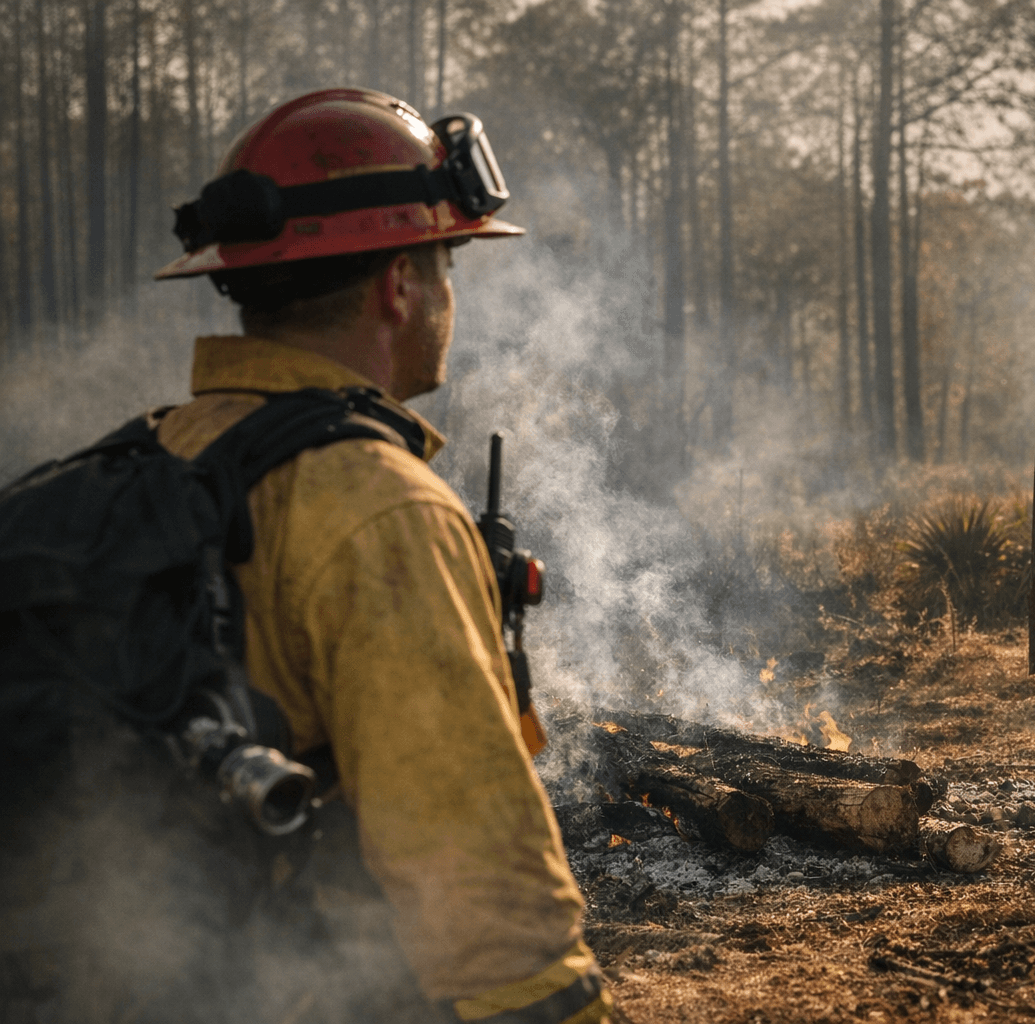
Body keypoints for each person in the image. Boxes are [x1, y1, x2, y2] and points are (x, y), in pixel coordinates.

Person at [135, 88, 607, 1023]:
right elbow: (483, 888)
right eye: (445, 262)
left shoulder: (159, 454)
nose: (447, 292)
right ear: (400, 284)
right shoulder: (380, 510)